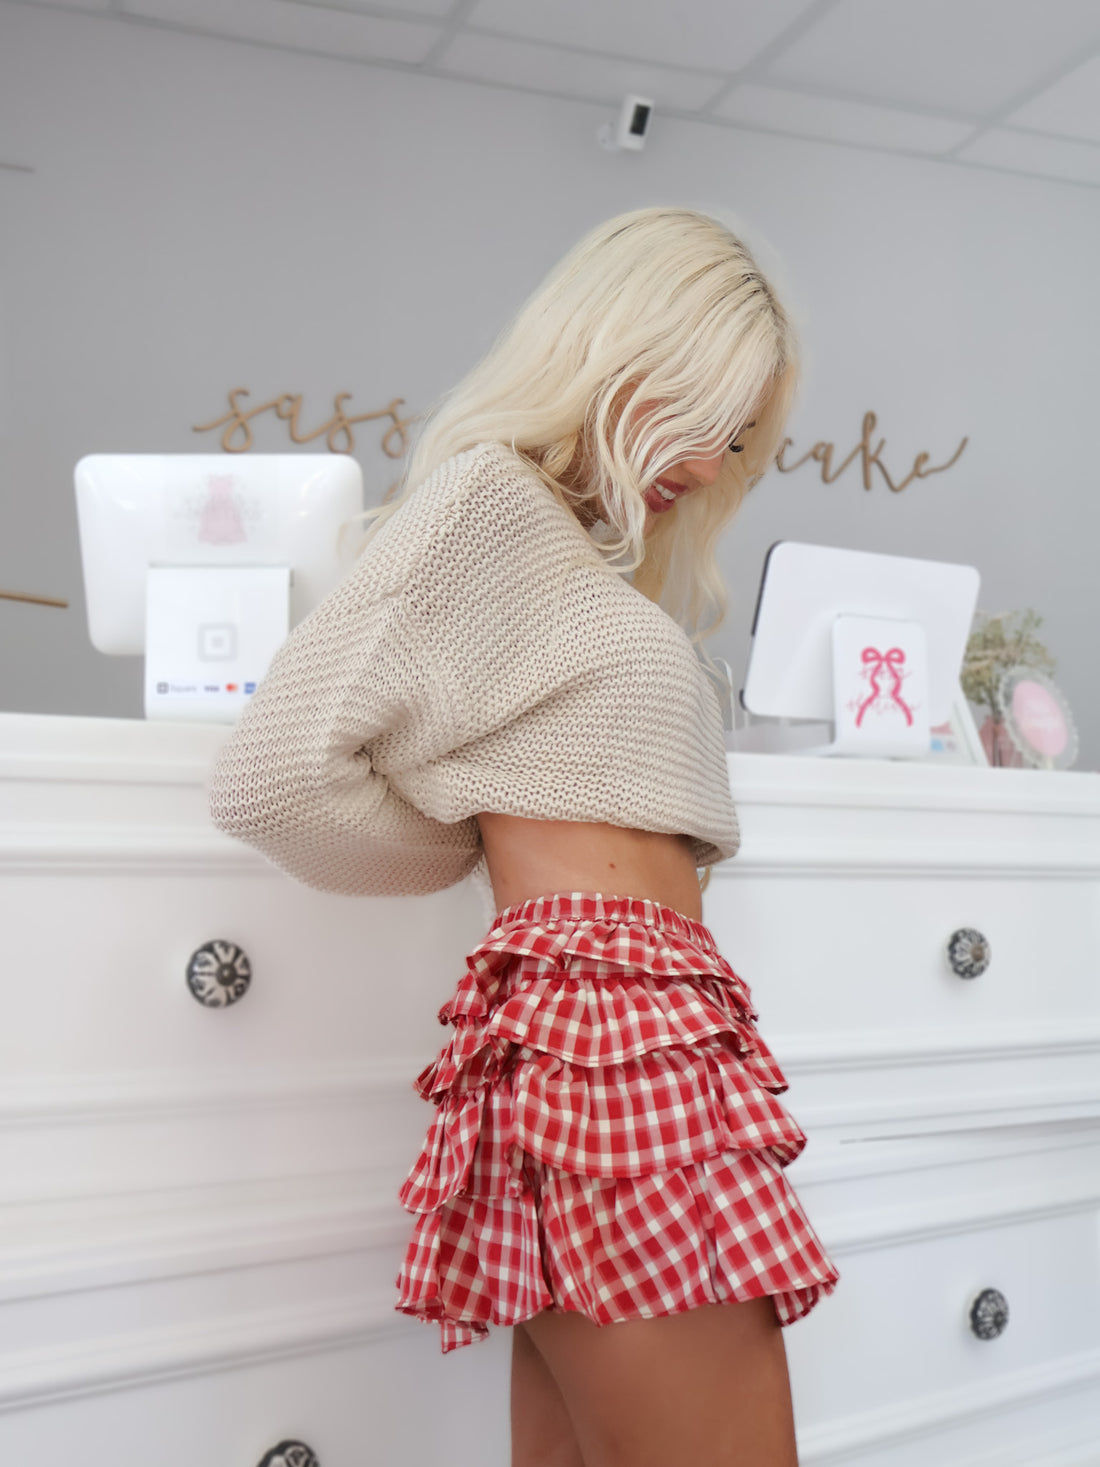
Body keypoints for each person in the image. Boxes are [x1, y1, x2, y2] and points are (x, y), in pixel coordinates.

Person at [208, 206, 838, 1467]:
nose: (710, 466)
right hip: (616, 1045)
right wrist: (470, 854)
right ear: (616, 355)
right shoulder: (493, 503)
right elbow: (273, 774)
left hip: (609, 1043)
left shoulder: (569, 560)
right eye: (702, 415)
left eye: (736, 438)